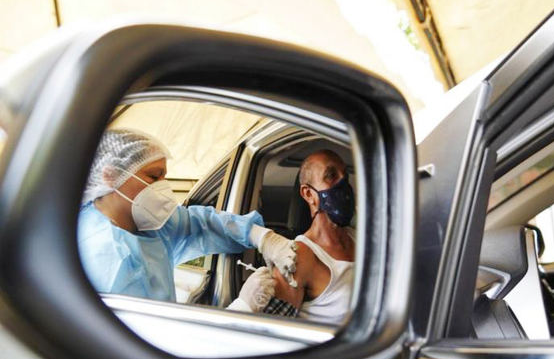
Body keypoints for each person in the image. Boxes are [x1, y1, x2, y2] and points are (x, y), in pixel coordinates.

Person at [77, 129, 296, 312]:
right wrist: (241, 309)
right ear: (111, 176)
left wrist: (263, 237)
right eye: (153, 176)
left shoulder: (148, 223)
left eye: (164, 177)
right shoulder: (107, 257)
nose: (163, 187)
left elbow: (201, 223)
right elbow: (147, 344)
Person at [272, 149, 355, 324]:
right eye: (331, 175)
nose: (344, 182)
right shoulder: (296, 257)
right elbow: (277, 333)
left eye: (345, 175)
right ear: (308, 194)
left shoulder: (365, 240)